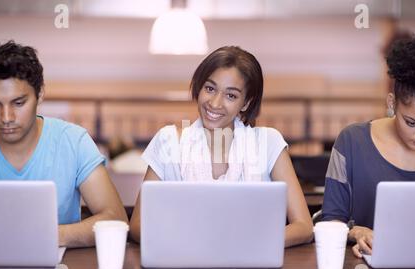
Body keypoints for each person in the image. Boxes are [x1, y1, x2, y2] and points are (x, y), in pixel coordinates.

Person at [130, 46, 313, 247]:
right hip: (182, 263)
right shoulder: (168, 141)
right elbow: (138, 224)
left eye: (231, 95)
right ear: (199, 88)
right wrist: (186, 241)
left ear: (246, 102)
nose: (215, 103)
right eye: (210, 89)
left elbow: (304, 225)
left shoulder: (269, 143)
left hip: (252, 267)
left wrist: (247, 244)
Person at [0, 41, 128, 248]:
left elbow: (115, 219)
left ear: (40, 94)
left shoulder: (73, 141)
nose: (6, 117)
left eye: (18, 103)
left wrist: (43, 236)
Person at [321, 35, 415, 258]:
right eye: (411, 122)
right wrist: (357, 231)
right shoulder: (352, 142)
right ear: (392, 103)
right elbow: (331, 220)